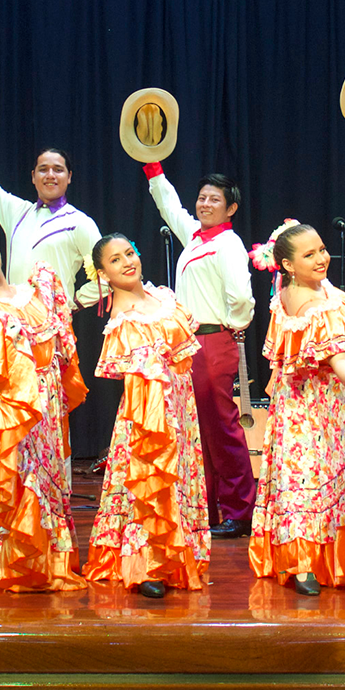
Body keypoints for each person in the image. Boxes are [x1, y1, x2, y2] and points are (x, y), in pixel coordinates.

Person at [248, 221, 345, 595]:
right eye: (309, 254)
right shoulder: (314, 305)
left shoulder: (288, 292)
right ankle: (306, 564)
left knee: (302, 478)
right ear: (288, 265)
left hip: (300, 403)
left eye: (321, 249)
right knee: (310, 479)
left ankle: (307, 562)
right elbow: (337, 357)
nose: (322, 258)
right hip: (319, 406)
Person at [0, 225, 89, 591]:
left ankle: (49, 553)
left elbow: (59, 344)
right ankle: (5, 554)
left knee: (47, 476)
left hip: (48, 401)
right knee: (14, 477)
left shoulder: (35, 290)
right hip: (10, 406)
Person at [82, 234, 210, 598]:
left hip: (181, 408)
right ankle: (145, 561)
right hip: (148, 415)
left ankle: (175, 554)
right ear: (103, 273)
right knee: (150, 480)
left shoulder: (163, 297)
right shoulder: (122, 319)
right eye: (114, 260)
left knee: (177, 477)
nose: (126, 262)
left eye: (129, 253)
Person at [142, 162, 257, 538]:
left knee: (221, 426)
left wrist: (232, 326)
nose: (205, 204)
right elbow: (170, 206)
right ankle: (204, 508)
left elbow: (241, 296)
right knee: (196, 429)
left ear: (231, 208)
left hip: (212, 339)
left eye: (215, 200)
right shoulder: (196, 238)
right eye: (202, 198)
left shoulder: (228, 243)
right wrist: (153, 167)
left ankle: (240, 511)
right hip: (191, 341)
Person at [0, 137, 104, 307]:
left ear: (69, 176)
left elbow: (107, 274)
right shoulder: (17, 212)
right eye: (43, 170)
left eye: (58, 170)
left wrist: (73, 304)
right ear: (33, 177)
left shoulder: (80, 222)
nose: (50, 175)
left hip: (53, 324)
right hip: (13, 319)